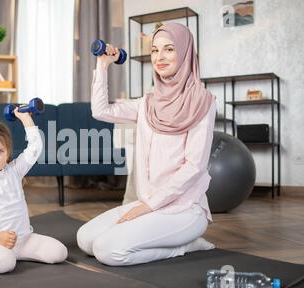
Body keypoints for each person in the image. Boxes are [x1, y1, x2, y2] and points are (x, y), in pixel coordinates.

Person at [77, 22, 217, 266]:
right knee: (85, 240)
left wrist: (146, 207)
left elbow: (194, 166)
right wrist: (103, 66)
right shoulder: (146, 104)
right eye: (154, 50)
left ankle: (185, 245)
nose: (159, 57)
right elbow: (100, 110)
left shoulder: (202, 102)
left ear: (185, 53)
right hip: (146, 205)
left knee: (107, 251)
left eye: (169, 49)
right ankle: (174, 241)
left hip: (182, 210)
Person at [0, 111, 67, 274]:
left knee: (60, 253)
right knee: (3, 265)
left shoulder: (14, 171)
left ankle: (16, 254)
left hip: (25, 240)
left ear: (8, 152)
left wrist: (26, 119)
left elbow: (35, 148)